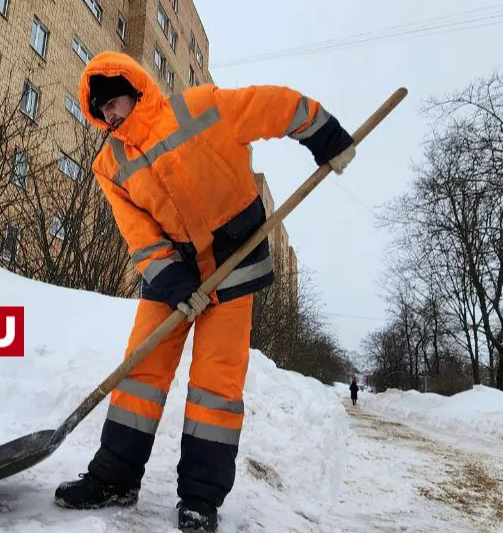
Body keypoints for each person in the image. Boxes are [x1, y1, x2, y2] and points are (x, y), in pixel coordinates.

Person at [54, 51, 356, 532]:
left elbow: (272, 106)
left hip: (235, 263)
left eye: (115, 102)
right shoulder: (109, 164)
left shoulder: (197, 107)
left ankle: (200, 499)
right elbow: (138, 232)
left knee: (216, 387)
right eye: (103, 110)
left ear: (136, 89)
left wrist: (324, 135)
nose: (111, 115)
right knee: (140, 372)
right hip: (171, 274)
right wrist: (172, 279)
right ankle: (114, 477)